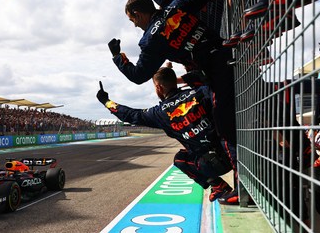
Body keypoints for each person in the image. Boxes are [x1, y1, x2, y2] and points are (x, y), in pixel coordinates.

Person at [96, 67, 233, 201]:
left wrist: (106, 101)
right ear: (174, 82)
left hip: (209, 165)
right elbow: (207, 78)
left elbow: (130, 115)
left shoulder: (160, 113)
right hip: (232, 153)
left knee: (180, 159)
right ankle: (219, 185)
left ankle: (217, 185)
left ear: (159, 88)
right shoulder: (199, 92)